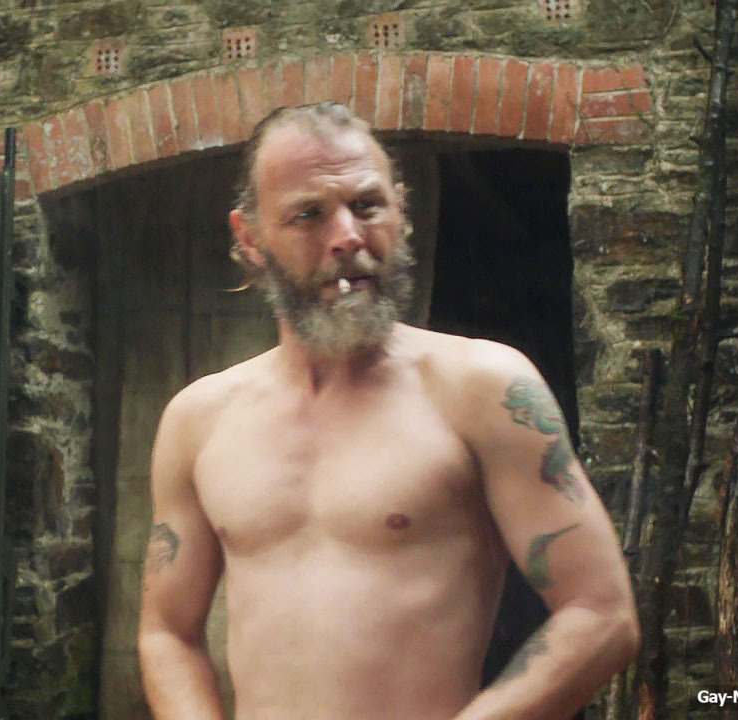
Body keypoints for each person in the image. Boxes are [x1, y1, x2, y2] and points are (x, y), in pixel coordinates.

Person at [137, 102, 639, 720]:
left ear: (402, 211)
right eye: (309, 214)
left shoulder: (483, 389)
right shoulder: (199, 420)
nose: (347, 236)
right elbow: (167, 632)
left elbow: (601, 615)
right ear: (251, 238)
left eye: (368, 204)